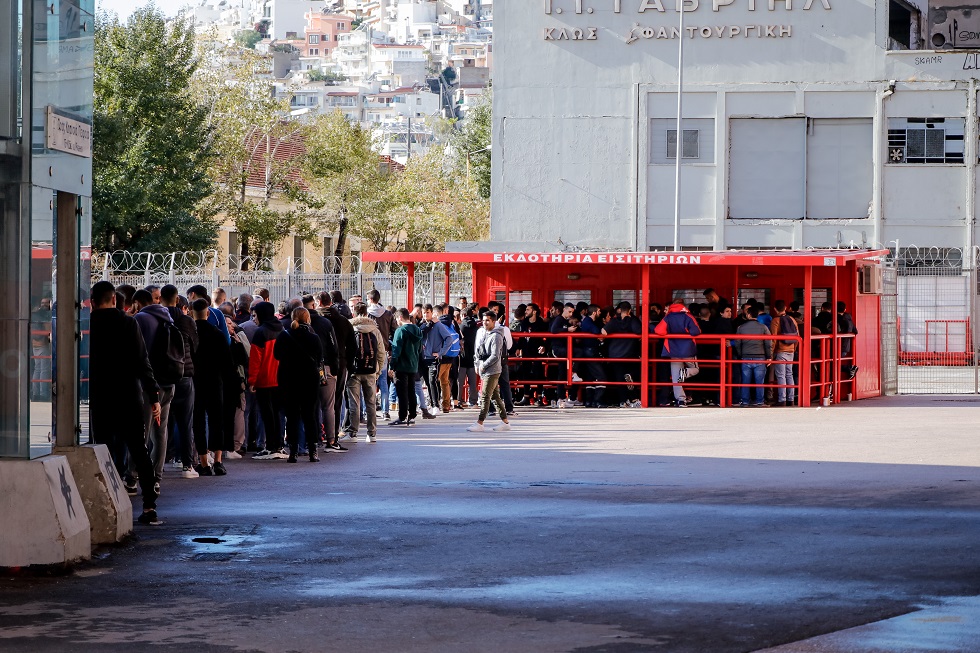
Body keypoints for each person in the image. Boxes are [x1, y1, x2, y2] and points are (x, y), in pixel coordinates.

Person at [89, 281, 163, 525]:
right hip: (128, 395)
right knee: (139, 451)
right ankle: (149, 506)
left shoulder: (87, 325)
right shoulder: (128, 323)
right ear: (114, 299)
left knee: (103, 449)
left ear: (91, 302)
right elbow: (143, 362)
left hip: (99, 396)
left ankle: (105, 505)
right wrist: (153, 397)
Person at [130, 289, 181, 498]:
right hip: (169, 381)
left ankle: (132, 477)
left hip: (149, 385)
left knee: (141, 432)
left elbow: (137, 354)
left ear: (137, 303)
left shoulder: (140, 319)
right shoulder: (167, 316)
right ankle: (156, 478)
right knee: (161, 433)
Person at [191, 299, 235, 475]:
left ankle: (203, 462)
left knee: (198, 422)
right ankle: (218, 460)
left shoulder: (190, 333)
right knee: (217, 420)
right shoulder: (217, 334)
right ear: (208, 313)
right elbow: (227, 363)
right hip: (215, 382)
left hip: (196, 382)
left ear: (191, 313)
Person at [274, 307, 323, 462]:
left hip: (289, 379)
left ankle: (293, 452)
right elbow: (320, 357)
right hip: (309, 379)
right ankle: (313, 451)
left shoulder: (284, 335)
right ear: (307, 319)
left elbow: (276, 355)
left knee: (292, 415)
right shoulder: (314, 337)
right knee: (310, 415)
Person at [161, 286, 199, 479]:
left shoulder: (156, 318)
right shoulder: (186, 321)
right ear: (177, 300)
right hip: (184, 374)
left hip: (161, 377)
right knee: (186, 423)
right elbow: (195, 346)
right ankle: (186, 465)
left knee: (159, 425)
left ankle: (158, 465)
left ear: (161, 299)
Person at [343, 303, 387, 443]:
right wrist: (378, 370)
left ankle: (353, 433)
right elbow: (381, 352)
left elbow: (345, 350)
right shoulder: (374, 330)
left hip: (354, 372)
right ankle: (371, 433)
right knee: (371, 403)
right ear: (367, 313)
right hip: (370, 371)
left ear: (354, 313)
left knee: (354, 403)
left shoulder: (350, 328)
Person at [248, 301, 287, 460]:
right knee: (278, 415)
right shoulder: (282, 329)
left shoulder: (261, 332)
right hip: (280, 378)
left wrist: (252, 380)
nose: (254, 318)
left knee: (267, 415)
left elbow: (255, 360)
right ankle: (278, 445)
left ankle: (271, 446)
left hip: (264, 379)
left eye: (256, 315)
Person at [318, 291, 355, 450]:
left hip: (319, 364)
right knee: (336, 400)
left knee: (318, 401)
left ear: (318, 302)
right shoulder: (343, 321)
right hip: (340, 364)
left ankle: (318, 434)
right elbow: (353, 346)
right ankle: (333, 435)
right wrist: (348, 363)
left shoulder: (317, 321)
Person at [467, 312, 512, 432]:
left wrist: (483, 365)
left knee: (485, 396)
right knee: (495, 397)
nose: (484, 322)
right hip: (488, 369)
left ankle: (480, 422)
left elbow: (495, 356)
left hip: (491, 370)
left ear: (493, 321)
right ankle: (505, 421)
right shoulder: (487, 334)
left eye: (487, 320)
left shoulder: (496, 336)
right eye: (483, 320)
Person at [654, 299, 701, 408]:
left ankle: (680, 400)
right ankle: (685, 372)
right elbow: (696, 331)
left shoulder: (668, 317)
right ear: (683, 306)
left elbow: (658, 330)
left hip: (673, 350)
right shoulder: (688, 316)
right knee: (695, 369)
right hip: (688, 349)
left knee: (675, 378)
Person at [604, 301, 643, 408]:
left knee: (619, 379)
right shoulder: (633, 320)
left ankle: (623, 401)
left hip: (615, 354)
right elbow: (640, 332)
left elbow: (603, 331)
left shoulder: (613, 321)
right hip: (630, 353)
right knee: (632, 377)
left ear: (619, 310)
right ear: (629, 310)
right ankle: (634, 399)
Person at [366, 289, 398, 420]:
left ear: (370, 299)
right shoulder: (388, 314)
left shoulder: (367, 314)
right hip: (383, 351)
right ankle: (386, 411)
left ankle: (369, 411)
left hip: (369, 351)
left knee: (370, 382)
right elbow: (394, 330)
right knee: (384, 382)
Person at [389, 308, 424, 426]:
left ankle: (402, 416)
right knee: (411, 390)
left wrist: (392, 366)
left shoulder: (400, 331)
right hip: (413, 365)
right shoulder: (418, 330)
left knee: (402, 392)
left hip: (401, 366)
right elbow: (420, 350)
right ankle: (412, 415)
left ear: (400, 317)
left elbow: (396, 350)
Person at [734, 305, 772, 407]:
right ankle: (760, 401)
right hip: (760, 357)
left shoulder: (740, 328)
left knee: (745, 381)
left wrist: (740, 354)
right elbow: (768, 343)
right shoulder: (763, 327)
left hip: (745, 356)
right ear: (758, 315)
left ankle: (745, 401)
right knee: (760, 381)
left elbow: (737, 343)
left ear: (748, 314)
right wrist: (769, 356)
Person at [770, 299, 799, 407]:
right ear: (785, 308)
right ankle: (790, 399)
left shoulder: (775, 321)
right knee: (789, 374)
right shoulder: (792, 319)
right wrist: (794, 348)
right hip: (791, 350)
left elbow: (773, 338)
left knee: (781, 375)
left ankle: (782, 400)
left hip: (781, 351)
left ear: (775, 309)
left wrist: (771, 353)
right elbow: (797, 335)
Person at [436, 304, 462, 413]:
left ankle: (436, 403)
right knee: (445, 381)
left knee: (435, 380)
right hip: (451, 357)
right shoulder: (452, 322)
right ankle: (446, 405)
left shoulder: (439, 324)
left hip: (441, 357)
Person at [457, 303, 480, 408]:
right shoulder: (477, 327)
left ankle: (458, 400)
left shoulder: (460, 327)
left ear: (463, 316)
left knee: (460, 382)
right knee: (473, 382)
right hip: (473, 357)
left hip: (462, 357)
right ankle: (473, 401)